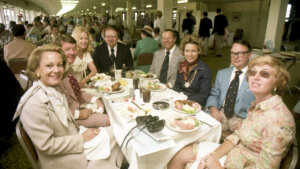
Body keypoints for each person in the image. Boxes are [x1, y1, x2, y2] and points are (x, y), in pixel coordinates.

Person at [168, 55, 295, 169]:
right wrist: (214, 155)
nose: (256, 77)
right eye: (252, 72)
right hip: (236, 154)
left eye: (265, 74)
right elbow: (237, 136)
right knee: (179, 154)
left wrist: (216, 166)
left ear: (277, 82)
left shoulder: (278, 121)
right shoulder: (258, 105)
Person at [13, 45, 122, 169]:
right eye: (49, 65)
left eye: (59, 65)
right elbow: (47, 145)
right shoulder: (33, 105)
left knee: (117, 131)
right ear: (36, 70)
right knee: (118, 134)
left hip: (72, 139)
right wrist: (81, 138)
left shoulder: (54, 91)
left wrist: (85, 132)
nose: (57, 70)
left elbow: (67, 123)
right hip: (63, 159)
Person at [54, 34, 110, 128]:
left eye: (74, 49)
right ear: (57, 51)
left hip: (80, 108)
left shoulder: (69, 70)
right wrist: (78, 114)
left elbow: (77, 92)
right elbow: (56, 110)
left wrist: (95, 99)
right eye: (67, 49)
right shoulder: (54, 76)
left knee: (107, 105)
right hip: (70, 121)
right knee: (109, 119)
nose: (72, 52)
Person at [206, 40, 255, 132]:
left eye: (240, 53)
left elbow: (260, 106)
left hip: (243, 119)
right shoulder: (222, 73)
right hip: (221, 114)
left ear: (249, 54)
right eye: (233, 53)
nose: (235, 57)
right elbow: (214, 94)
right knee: (200, 129)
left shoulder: (256, 76)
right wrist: (212, 108)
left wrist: (249, 122)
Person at [173, 35, 212, 107]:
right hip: (180, 100)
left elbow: (203, 95)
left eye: (193, 51)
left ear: (199, 51)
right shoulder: (182, 65)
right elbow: (176, 87)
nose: (190, 55)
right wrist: (176, 98)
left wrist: (185, 100)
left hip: (195, 104)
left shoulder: (205, 70)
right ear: (183, 51)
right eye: (187, 51)